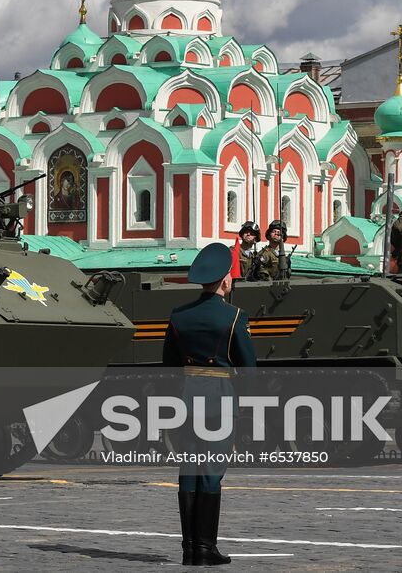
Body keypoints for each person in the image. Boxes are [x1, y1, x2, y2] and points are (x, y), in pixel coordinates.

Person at [163, 241, 255, 566]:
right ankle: (206, 547)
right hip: (219, 399)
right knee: (211, 471)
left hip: (186, 399)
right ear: (226, 280)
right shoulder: (234, 317)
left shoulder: (178, 316)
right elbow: (249, 369)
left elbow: (169, 365)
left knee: (188, 470)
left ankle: (190, 549)